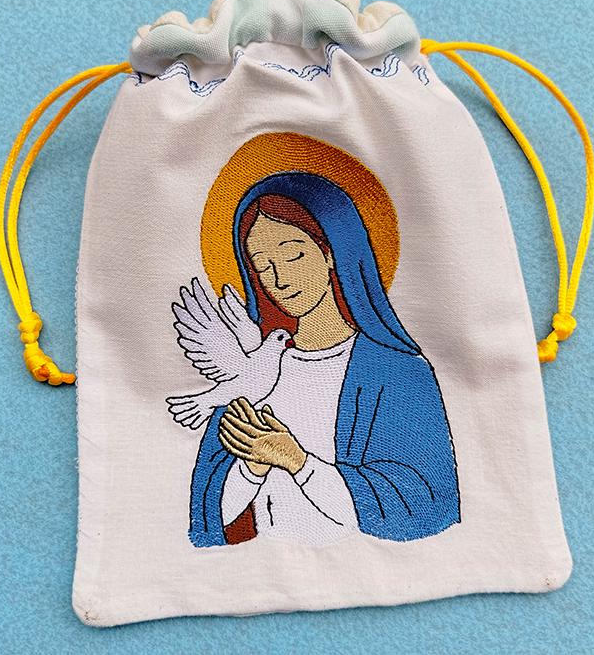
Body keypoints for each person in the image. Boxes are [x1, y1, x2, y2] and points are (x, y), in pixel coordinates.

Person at [188, 170, 460, 547]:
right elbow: (208, 519)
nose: (279, 279)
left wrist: (297, 462)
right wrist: (252, 468)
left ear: (331, 251)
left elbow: (425, 504)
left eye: (293, 255)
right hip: (260, 569)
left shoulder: (398, 372)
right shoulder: (254, 369)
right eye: (262, 265)